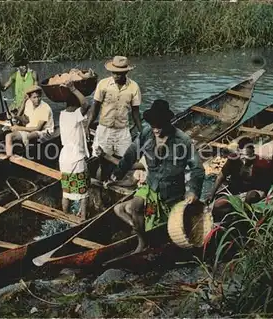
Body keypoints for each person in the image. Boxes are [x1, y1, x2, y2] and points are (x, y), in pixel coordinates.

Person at [100, 99, 205, 253]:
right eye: (153, 125)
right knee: (135, 207)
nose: (155, 130)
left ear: (168, 122)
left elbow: (197, 168)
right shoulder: (145, 135)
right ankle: (142, 242)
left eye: (159, 126)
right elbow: (130, 155)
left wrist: (193, 190)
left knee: (169, 225)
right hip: (151, 185)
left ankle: (158, 239)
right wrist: (117, 174)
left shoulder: (183, 140)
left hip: (171, 192)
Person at [86, 56, 143, 181]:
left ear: (126, 72)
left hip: (122, 130)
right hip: (104, 129)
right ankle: (99, 186)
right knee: (98, 159)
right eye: (114, 73)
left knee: (125, 161)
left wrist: (142, 132)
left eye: (119, 73)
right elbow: (95, 108)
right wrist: (88, 126)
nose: (116, 76)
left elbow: (135, 113)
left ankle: (116, 183)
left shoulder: (134, 87)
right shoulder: (103, 84)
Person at [206, 136, 273, 219]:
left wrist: (269, 199)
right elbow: (221, 176)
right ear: (238, 151)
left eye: (247, 157)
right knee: (217, 205)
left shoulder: (262, 164)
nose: (244, 160)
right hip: (237, 193)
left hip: (256, 192)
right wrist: (211, 194)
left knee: (250, 196)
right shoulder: (233, 159)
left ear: (253, 152)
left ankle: (247, 217)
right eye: (242, 156)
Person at [58, 80, 91, 220]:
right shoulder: (76, 113)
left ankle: (65, 216)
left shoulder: (62, 114)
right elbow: (86, 104)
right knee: (83, 192)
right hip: (76, 158)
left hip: (64, 158)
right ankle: (83, 218)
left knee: (67, 191)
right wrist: (73, 89)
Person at [5, 85, 54, 157]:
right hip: (30, 128)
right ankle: (9, 157)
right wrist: (15, 116)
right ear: (30, 98)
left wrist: (18, 128)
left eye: (38, 96)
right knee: (8, 136)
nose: (37, 99)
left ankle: (29, 156)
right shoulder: (28, 103)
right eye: (34, 97)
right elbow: (26, 120)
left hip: (44, 132)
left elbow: (38, 128)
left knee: (30, 136)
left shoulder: (45, 108)